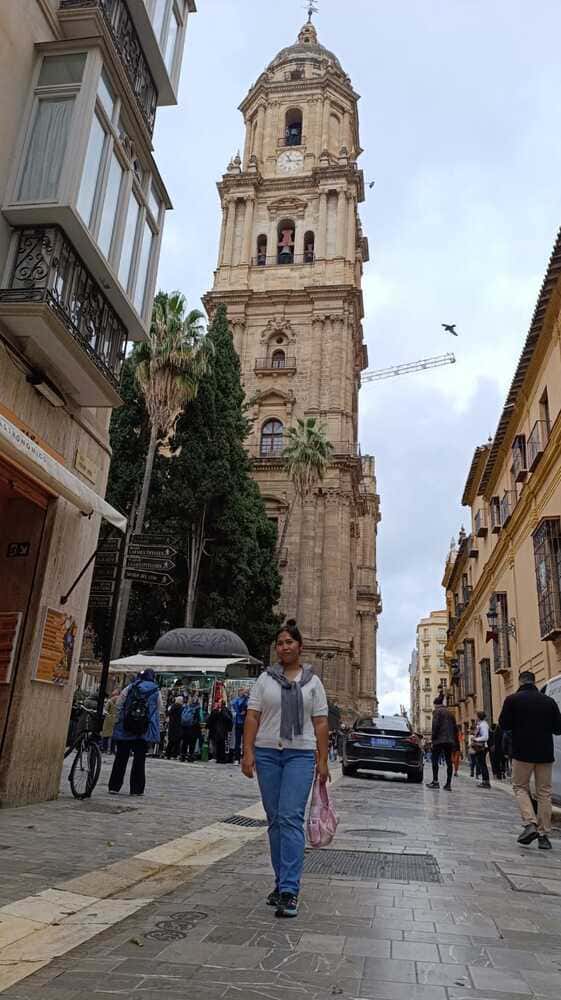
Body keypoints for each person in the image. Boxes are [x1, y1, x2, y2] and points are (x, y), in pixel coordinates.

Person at [242, 619, 330, 919]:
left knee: (290, 818)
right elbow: (252, 716)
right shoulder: (265, 680)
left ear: (300, 647)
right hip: (267, 753)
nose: (284, 647)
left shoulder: (313, 683)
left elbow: (320, 722)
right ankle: (281, 884)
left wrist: (323, 759)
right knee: (276, 820)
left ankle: (290, 889)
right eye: (280, 643)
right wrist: (248, 752)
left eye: (289, 642)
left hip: (300, 755)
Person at [499, 670, 561, 849]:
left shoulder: (512, 700)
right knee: (544, 793)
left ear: (520, 682)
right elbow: (558, 728)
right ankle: (543, 835)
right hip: (545, 754)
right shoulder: (549, 701)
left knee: (520, 787)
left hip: (522, 752)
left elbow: (504, 725)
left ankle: (530, 822)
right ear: (534, 682)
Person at [108, 669, 163, 796]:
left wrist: (119, 721)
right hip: (143, 731)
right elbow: (158, 710)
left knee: (121, 758)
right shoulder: (156, 691)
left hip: (126, 727)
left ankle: (114, 786)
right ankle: (136, 789)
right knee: (139, 760)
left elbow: (119, 704)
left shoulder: (130, 687)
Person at [425, 698, 457, 791]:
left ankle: (435, 781)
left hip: (439, 740)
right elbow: (455, 728)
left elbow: (435, 725)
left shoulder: (437, 711)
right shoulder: (450, 713)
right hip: (449, 740)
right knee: (449, 762)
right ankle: (448, 784)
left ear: (435, 704)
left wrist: (433, 738)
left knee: (434, 760)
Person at [180, 694, 202, 762]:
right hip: (193, 728)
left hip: (186, 727)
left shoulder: (186, 707)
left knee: (185, 742)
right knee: (192, 743)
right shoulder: (197, 709)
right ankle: (190, 756)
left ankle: (182, 756)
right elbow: (200, 718)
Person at [472, 711, 491, 788]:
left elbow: (485, 737)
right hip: (480, 747)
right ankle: (485, 781)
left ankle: (486, 782)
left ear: (479, 717)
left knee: (482, 765)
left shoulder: (483, 725)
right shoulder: (481, 724)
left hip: (482, 747)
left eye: (476, 716)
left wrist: (476, 739)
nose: (475, 718)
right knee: (481, 764)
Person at [231, 688, 250, 764]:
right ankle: (237, 759)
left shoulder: (248, 700)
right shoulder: (237, 700)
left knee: (246, 742)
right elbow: (233, 705)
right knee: (238, 742)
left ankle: (245, 758)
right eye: (242, 691)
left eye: (244, 691)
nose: (243, 693)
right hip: (238, 723)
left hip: (245, 723)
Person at [101, 688, 120, 754]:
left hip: (108, 719)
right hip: (116, 719)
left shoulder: (110, 701)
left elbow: (105, 710)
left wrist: (107, 714)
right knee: (114, 736)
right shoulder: (120, 701)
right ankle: (112, 750)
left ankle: (104, 749)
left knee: (106, 735)